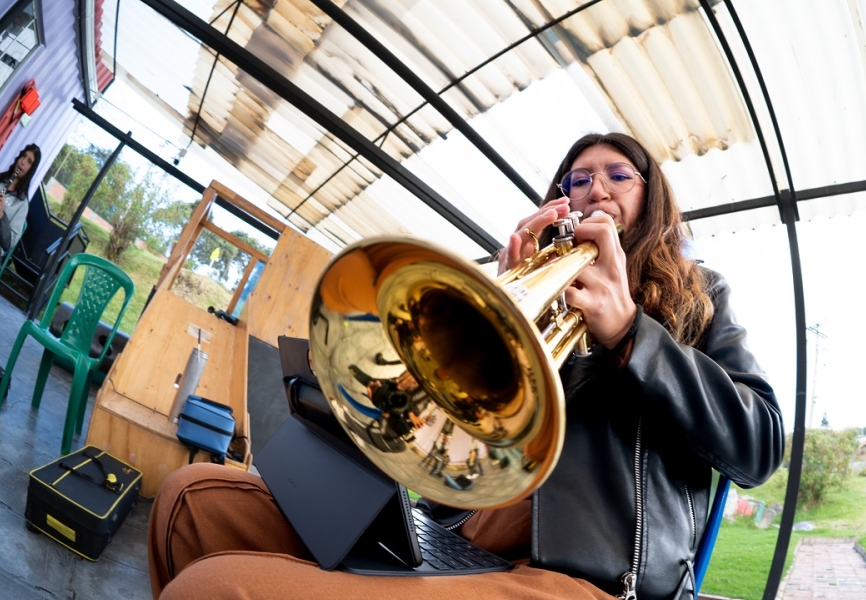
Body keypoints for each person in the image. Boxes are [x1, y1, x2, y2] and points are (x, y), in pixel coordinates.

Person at [146, 132, 784, 600]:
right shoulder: (540, 291)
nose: (596, 188)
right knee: (189, 504)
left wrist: (630, 334)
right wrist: (506, 315)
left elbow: (761, 443)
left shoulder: (695, 298)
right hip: (455, 533)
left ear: (652, 202)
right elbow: (447, 448)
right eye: (579, 178)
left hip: (584, 577)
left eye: (619, 175)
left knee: (215, 590)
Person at [0, 144, 41, 280]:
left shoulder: (22, 204)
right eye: (23, 156)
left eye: (29, 162)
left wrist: (0, 215)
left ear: (31, 170)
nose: (22, 162)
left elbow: (9, 243)